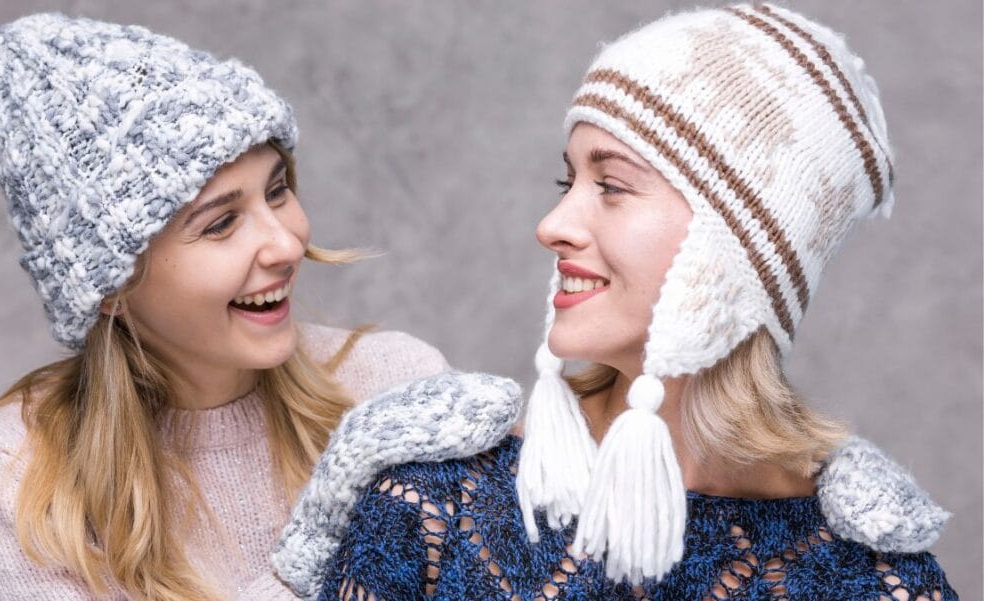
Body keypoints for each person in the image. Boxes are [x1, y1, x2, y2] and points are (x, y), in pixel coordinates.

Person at [272, 4, 957, 599]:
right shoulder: (435, 496)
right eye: (567, 180)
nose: (552, 224)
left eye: (612, 185)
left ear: (733, 254)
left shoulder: (874, 575)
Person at [0, 14, 453, 600]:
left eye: (278, 191)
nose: (285, 243)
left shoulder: (397, 387)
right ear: (111, 290)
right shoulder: (20, 475)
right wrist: (322, 540)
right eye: (222, 223)